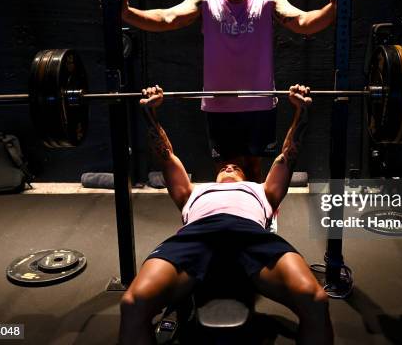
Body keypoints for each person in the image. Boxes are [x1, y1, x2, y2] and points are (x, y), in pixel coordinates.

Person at [119, 84, 333, 344]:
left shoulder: (262, 190)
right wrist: (150, 113)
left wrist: (301, 112)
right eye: (225, 166)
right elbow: (165, 155)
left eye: (236, 167)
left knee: (316, 301)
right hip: (196, 237)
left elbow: (288, 155)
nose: (229, 166)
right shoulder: (192, 191)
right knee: (132, 304)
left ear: (247, 176)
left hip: (252, 237)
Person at [117, 0, 337, 182]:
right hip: (219, 105)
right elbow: (167, 18)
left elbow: (303, 23)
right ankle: (228, 216)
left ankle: (257, 217)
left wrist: (334, 8)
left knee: (254, 170)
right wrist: (127, 14)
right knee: (225, 173)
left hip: (258, 104)